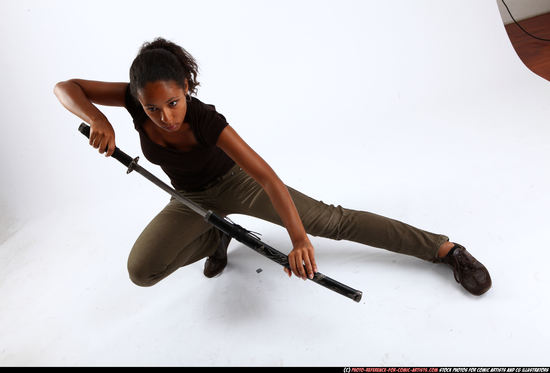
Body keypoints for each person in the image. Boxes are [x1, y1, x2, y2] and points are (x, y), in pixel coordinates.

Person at [53, 37, 492, 296]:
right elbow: (64, 86)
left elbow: (266, 176)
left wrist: (299, 238)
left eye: (173, 102)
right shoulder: (133, 99)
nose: (166, 116)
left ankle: (442, 249)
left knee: (331, 220)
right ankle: (215, 236)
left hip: (238, 184)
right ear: (137, 99)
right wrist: (97, 117)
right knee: (141, 270)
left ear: (186, 87)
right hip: (190, 198)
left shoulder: (206, 119)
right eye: (153, 109)